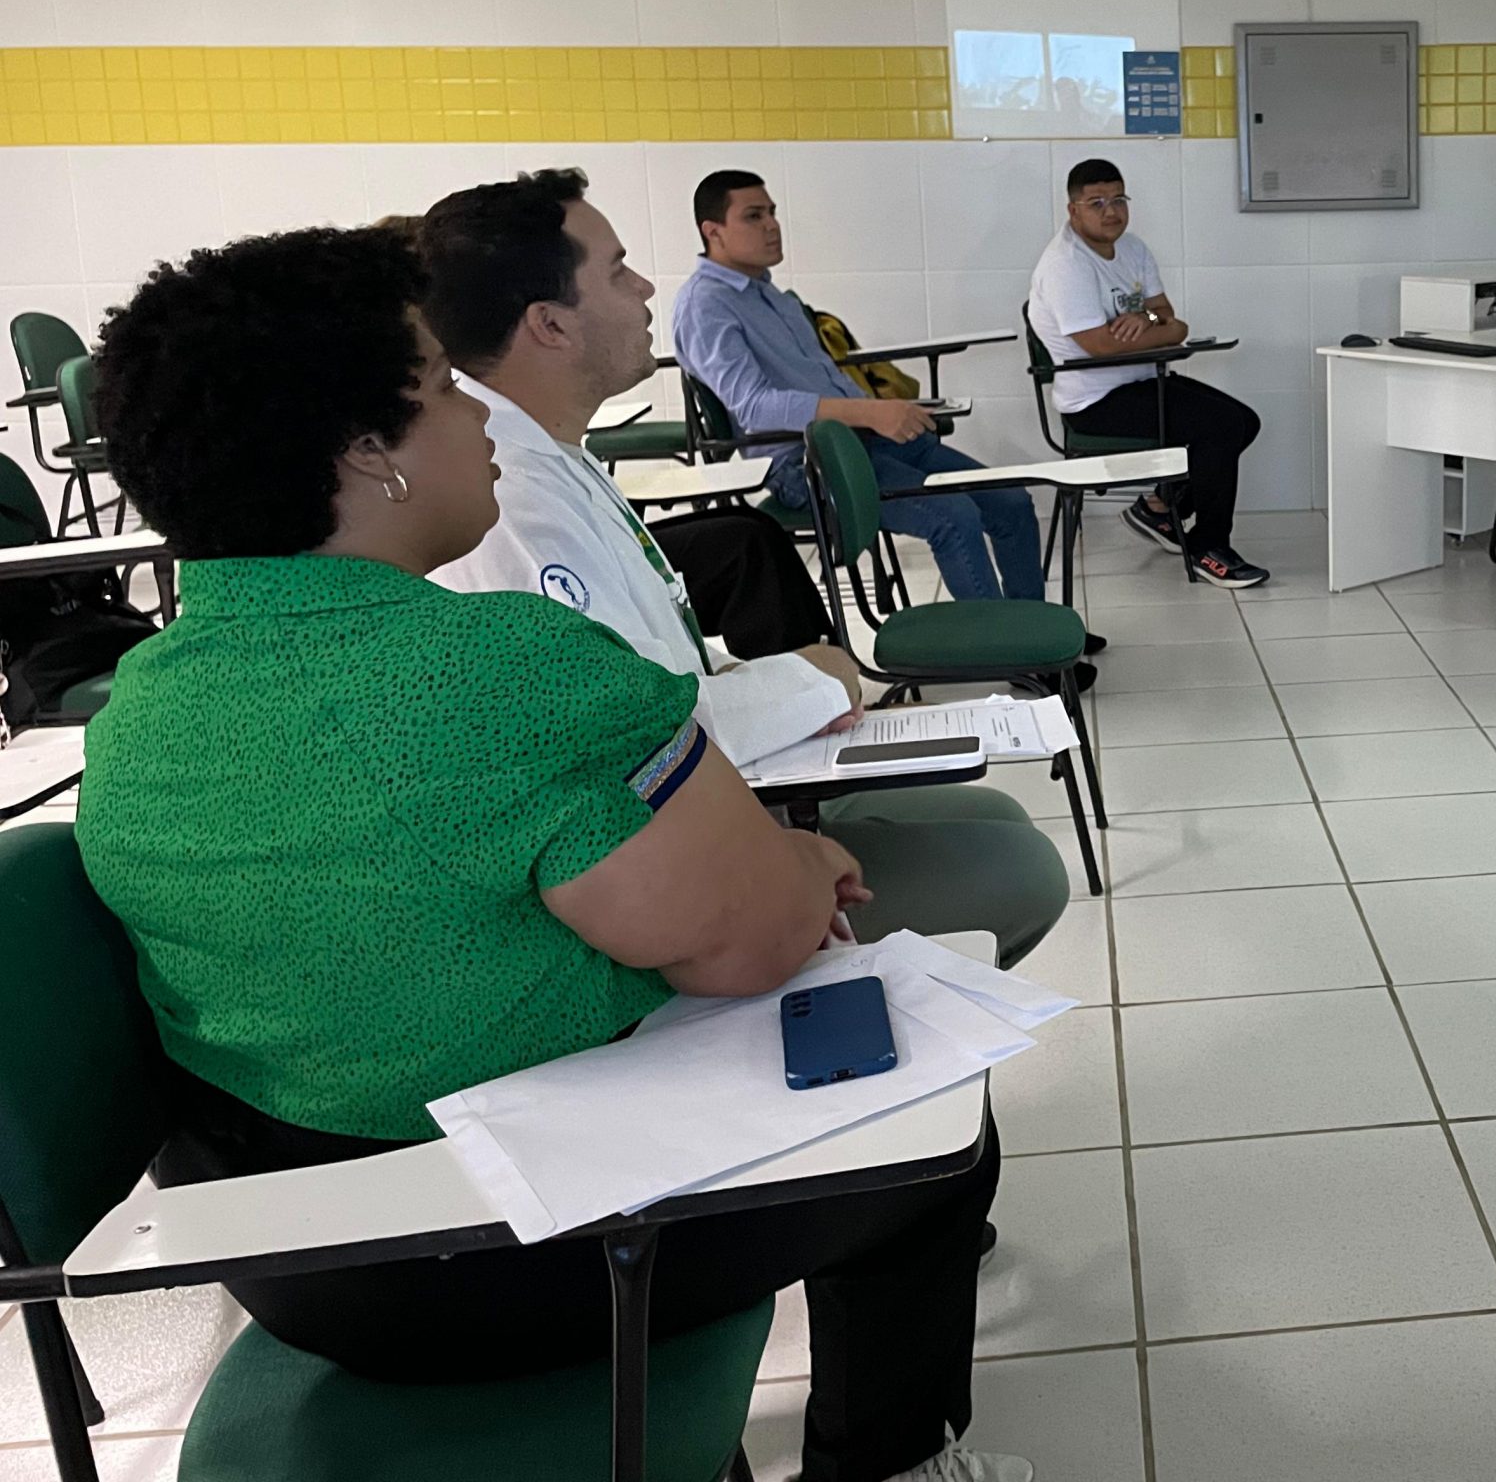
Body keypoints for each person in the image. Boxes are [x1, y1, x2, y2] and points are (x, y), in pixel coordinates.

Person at [75, 226, 1030, 1482]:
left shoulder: (139, 708)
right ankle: (888, 1463)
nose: (477, 412)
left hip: (293, 1259)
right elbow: (747, 945)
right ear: (368, 452)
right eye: (438, 384)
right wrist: (800, 874)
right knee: (937, 1143)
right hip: (507, 1238)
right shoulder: (502, 667)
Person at [421, 171, 1068, 965]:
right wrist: (814, 679)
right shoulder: (513, 500)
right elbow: (639, 742)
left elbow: (647, 665)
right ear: (549, 324)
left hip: (702, 802)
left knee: (997, 814)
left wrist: (748, 671)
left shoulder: (556, 455)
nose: (645, 286)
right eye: (618, 271)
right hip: (669, 878)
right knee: (1023, 871)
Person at [673, 169, 1049, 612]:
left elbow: (822, 379)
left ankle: (1034, 628)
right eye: (754, 216)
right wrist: (870, 413)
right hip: (807, 461)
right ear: (712, 231)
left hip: (864, 438)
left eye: (772, 212)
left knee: (1010, 501)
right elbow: (754, 408)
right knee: (954, 516)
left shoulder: (772, 295)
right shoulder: (705, 305)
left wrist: (882, 409)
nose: (772, 225)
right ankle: (1002, 644)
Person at [1026, 158, 1269, 589]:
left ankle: (1158, 509)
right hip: (1095, 402)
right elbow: (1100, 346)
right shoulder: (1066, 264)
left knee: (1245, 421)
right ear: (1073, 210)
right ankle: (1208, 549)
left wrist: (1149, 321)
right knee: (1221, 426)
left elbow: (1171, 319)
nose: (1111, 211)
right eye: (1097, 202)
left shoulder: (1133, 249)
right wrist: (1161, 330)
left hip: (1143, 383)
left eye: (1119, 199)